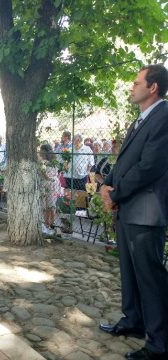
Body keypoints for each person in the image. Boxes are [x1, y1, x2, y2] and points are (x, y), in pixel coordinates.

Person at [99, 64, 168, 360]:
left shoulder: (164, 116)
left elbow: (150, 166)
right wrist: (107, 184)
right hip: (128, 208)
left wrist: (118, 192)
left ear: (153, 87)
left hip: (147, 211)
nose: (131, 86)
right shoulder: (140, 119)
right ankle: (133, 322)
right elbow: (125, 159)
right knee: (129, 271)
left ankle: (160, 344)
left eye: (136, 82)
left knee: (150, 278)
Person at [39, 143, 62, 235]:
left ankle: (47, 224)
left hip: (47, 182)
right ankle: (51, 223)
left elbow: (43, 173)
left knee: (46, 205)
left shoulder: (43, 162)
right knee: (51, 204)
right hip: (53, 182)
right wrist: (55, 178)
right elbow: (59, 172)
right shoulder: (55, 160)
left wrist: (48, 178)